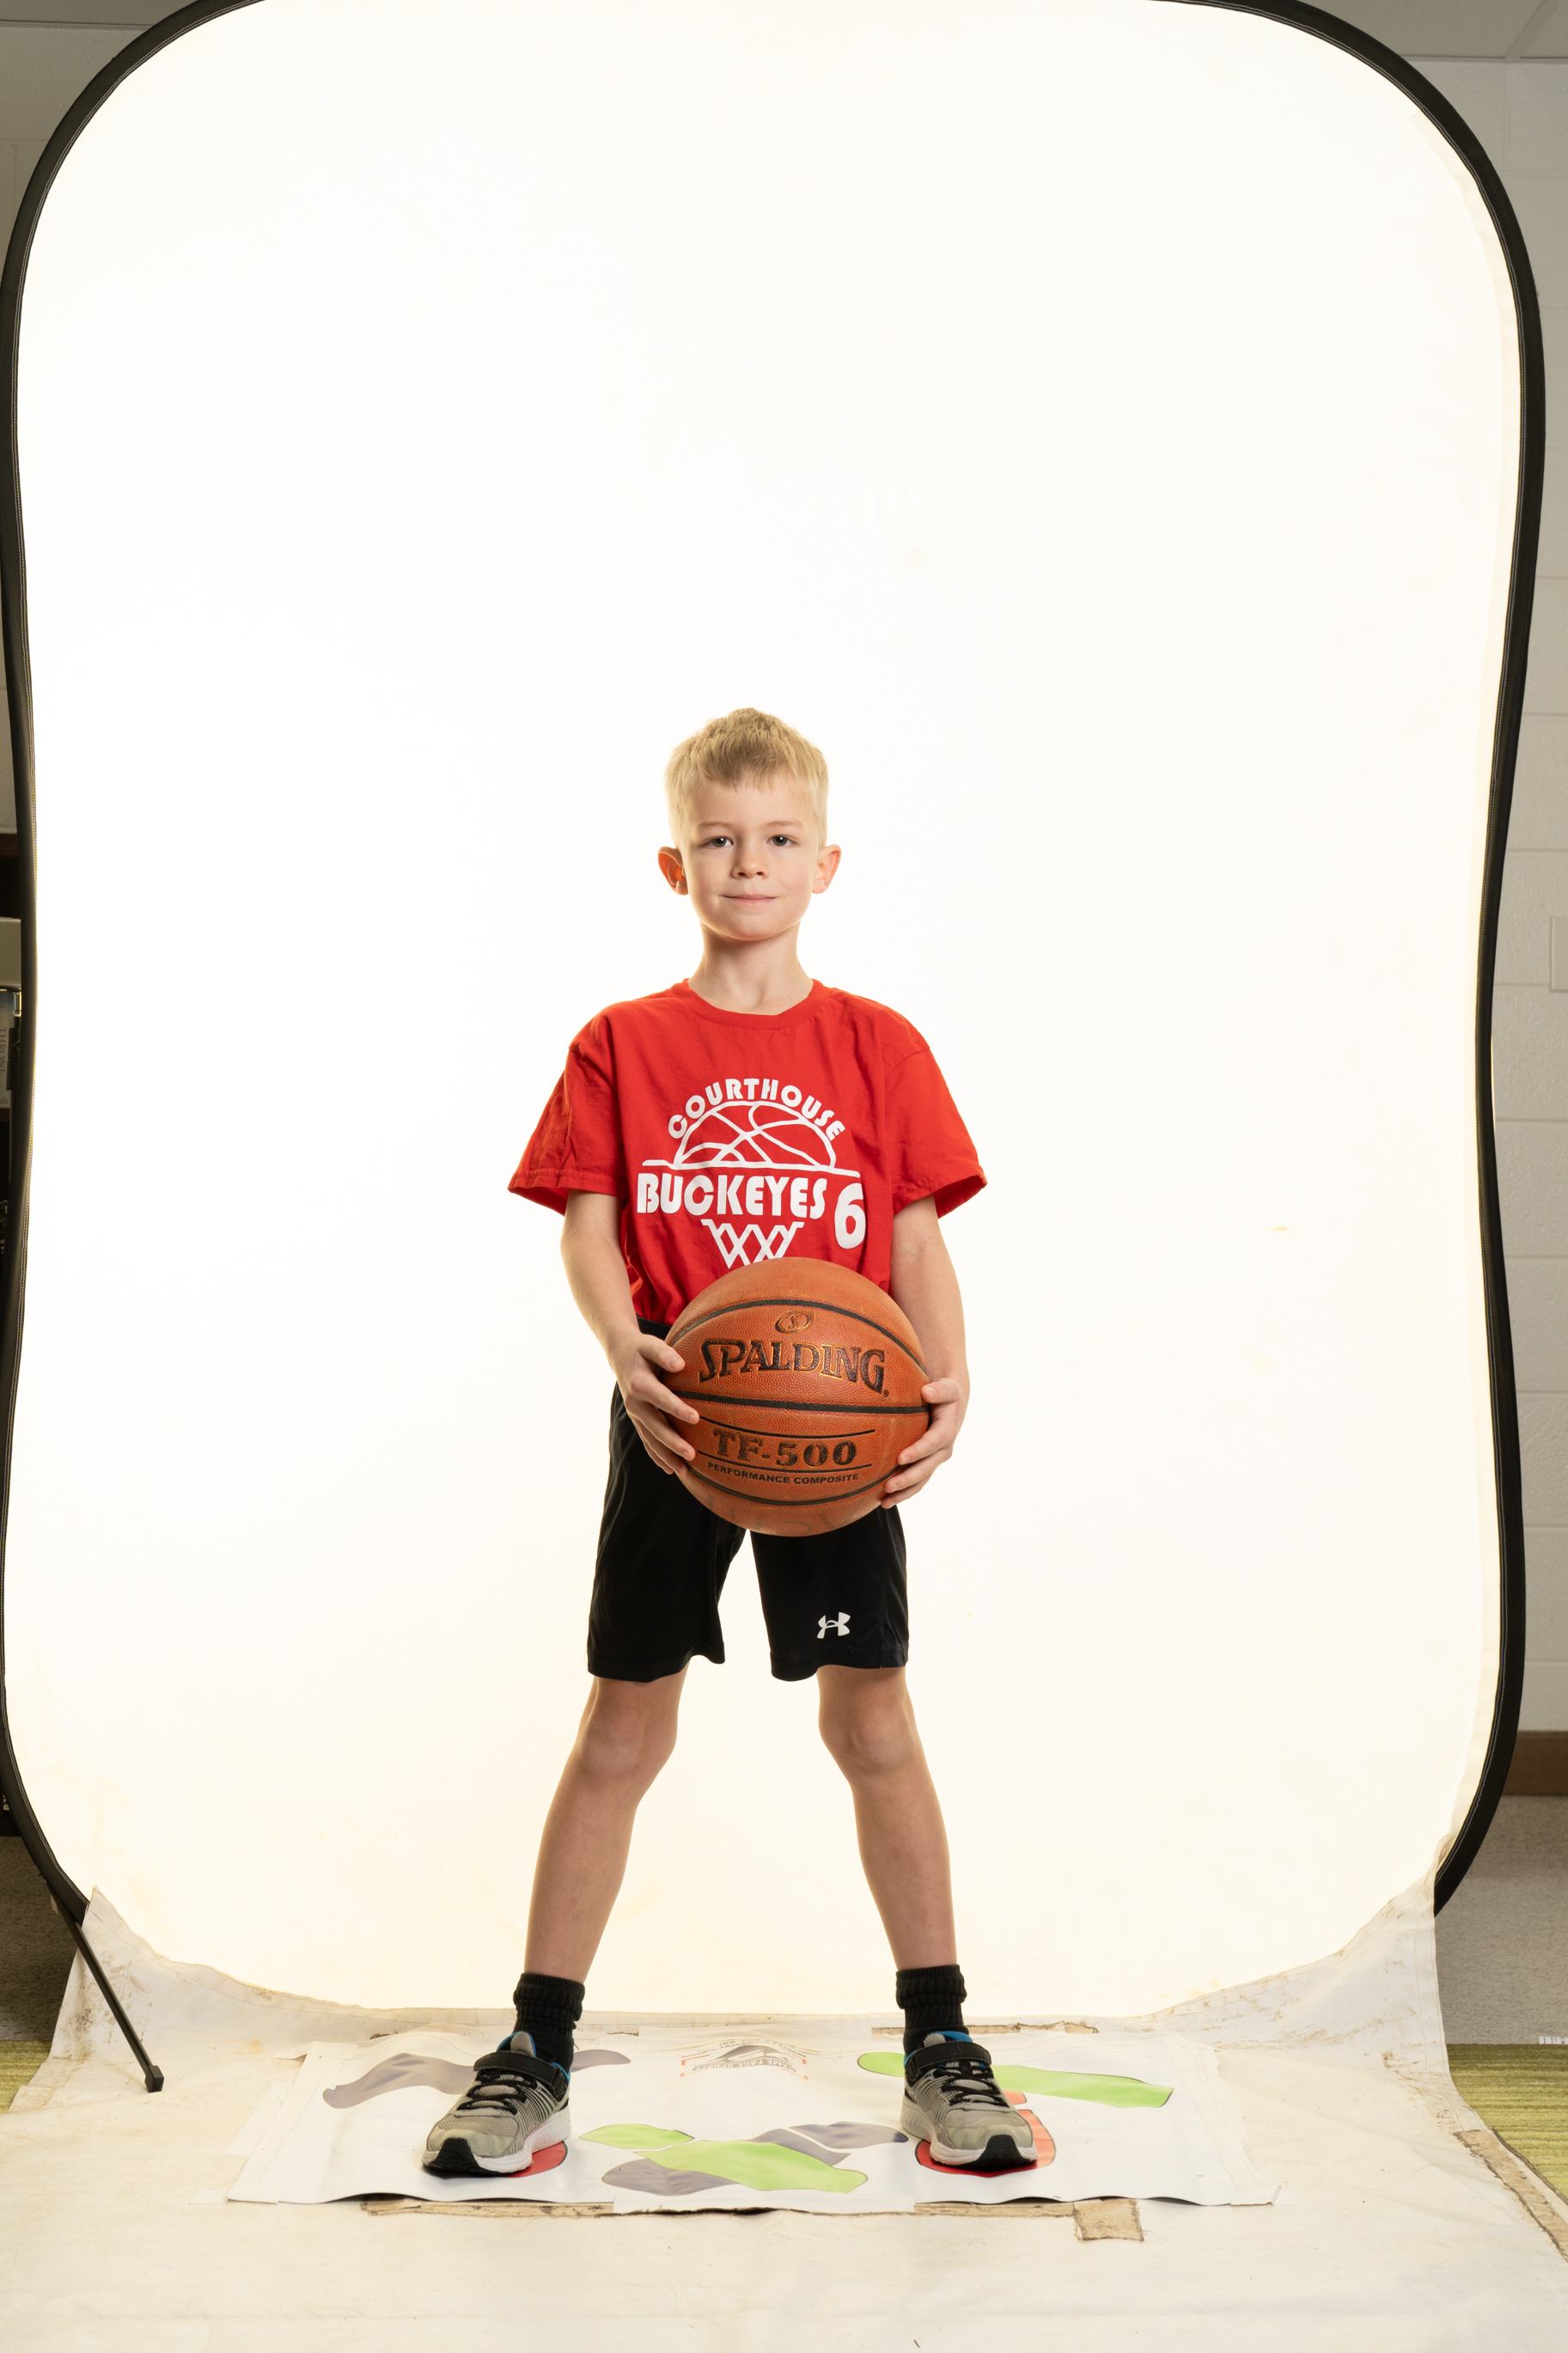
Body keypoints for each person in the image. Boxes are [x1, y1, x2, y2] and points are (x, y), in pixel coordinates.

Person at [424, 709, 1033, 2179]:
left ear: (825, 862)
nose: (746, 863)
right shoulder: (621, 1042)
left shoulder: (878, 1044)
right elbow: (586, 1228)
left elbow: (912, 1236)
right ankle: (535, 2049)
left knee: (871, 1723)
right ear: (673, 863)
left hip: (837, 1427)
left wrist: (946, 1379)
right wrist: (617, 1344)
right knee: (621, 1728)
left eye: (775, 839)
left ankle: (941, 2040)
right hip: (680, 1412)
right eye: (716, 838)